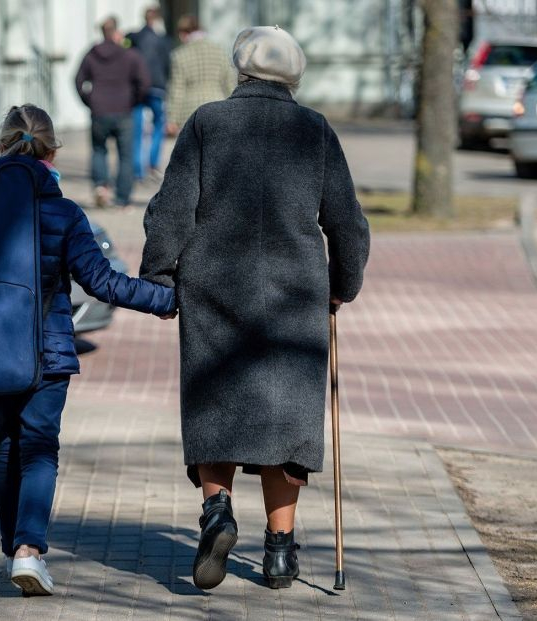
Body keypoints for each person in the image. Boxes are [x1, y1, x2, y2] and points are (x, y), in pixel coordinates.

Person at [139, 26, 370, 591]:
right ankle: (280, 553)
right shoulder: (313, 130)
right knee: (285, 424)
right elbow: (347, 221)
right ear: (294, 76)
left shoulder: (207, 123)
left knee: (216, 407)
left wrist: (160, 275)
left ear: (240, 69)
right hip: (294, 296)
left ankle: (217, 515)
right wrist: (343, 283)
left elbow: (173, 208)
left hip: (215, 288)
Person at [0, 104, 176, 596]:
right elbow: (102, 282)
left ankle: (13, 552)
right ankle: (28, 551)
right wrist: (166, 300)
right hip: (50, 352)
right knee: (40, 450)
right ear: (51, 152)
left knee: (3, 448)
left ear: (2, 146)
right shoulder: (64, 212)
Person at [75, 16, 150, 208]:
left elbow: (78, 80)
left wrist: (89, 101)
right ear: (117, 31)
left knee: (99, 150)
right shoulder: (130, 55)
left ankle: (101, 186)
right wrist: (134, 100)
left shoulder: (92, 54)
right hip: (124, 109)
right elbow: (144, 82)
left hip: (99, 109)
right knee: (125, 155)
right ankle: (122, 198)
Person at [164, 14, 235, 135]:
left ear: (183, 33)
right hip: (218, 106)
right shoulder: (220, 51)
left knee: (192, 152)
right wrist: (235, 110)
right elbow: (230, 83)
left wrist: (172, 119)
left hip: (189, 111)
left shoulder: (179, 55)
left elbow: (177, 90)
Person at [127, 6, 172, 180]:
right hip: (157, 87)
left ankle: (138, 170)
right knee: (159, 124)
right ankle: (153, 164)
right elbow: (168, 65)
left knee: (137, 128)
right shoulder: (163, 41)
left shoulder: (133, 37)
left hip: (138, 88)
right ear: (158, 20)